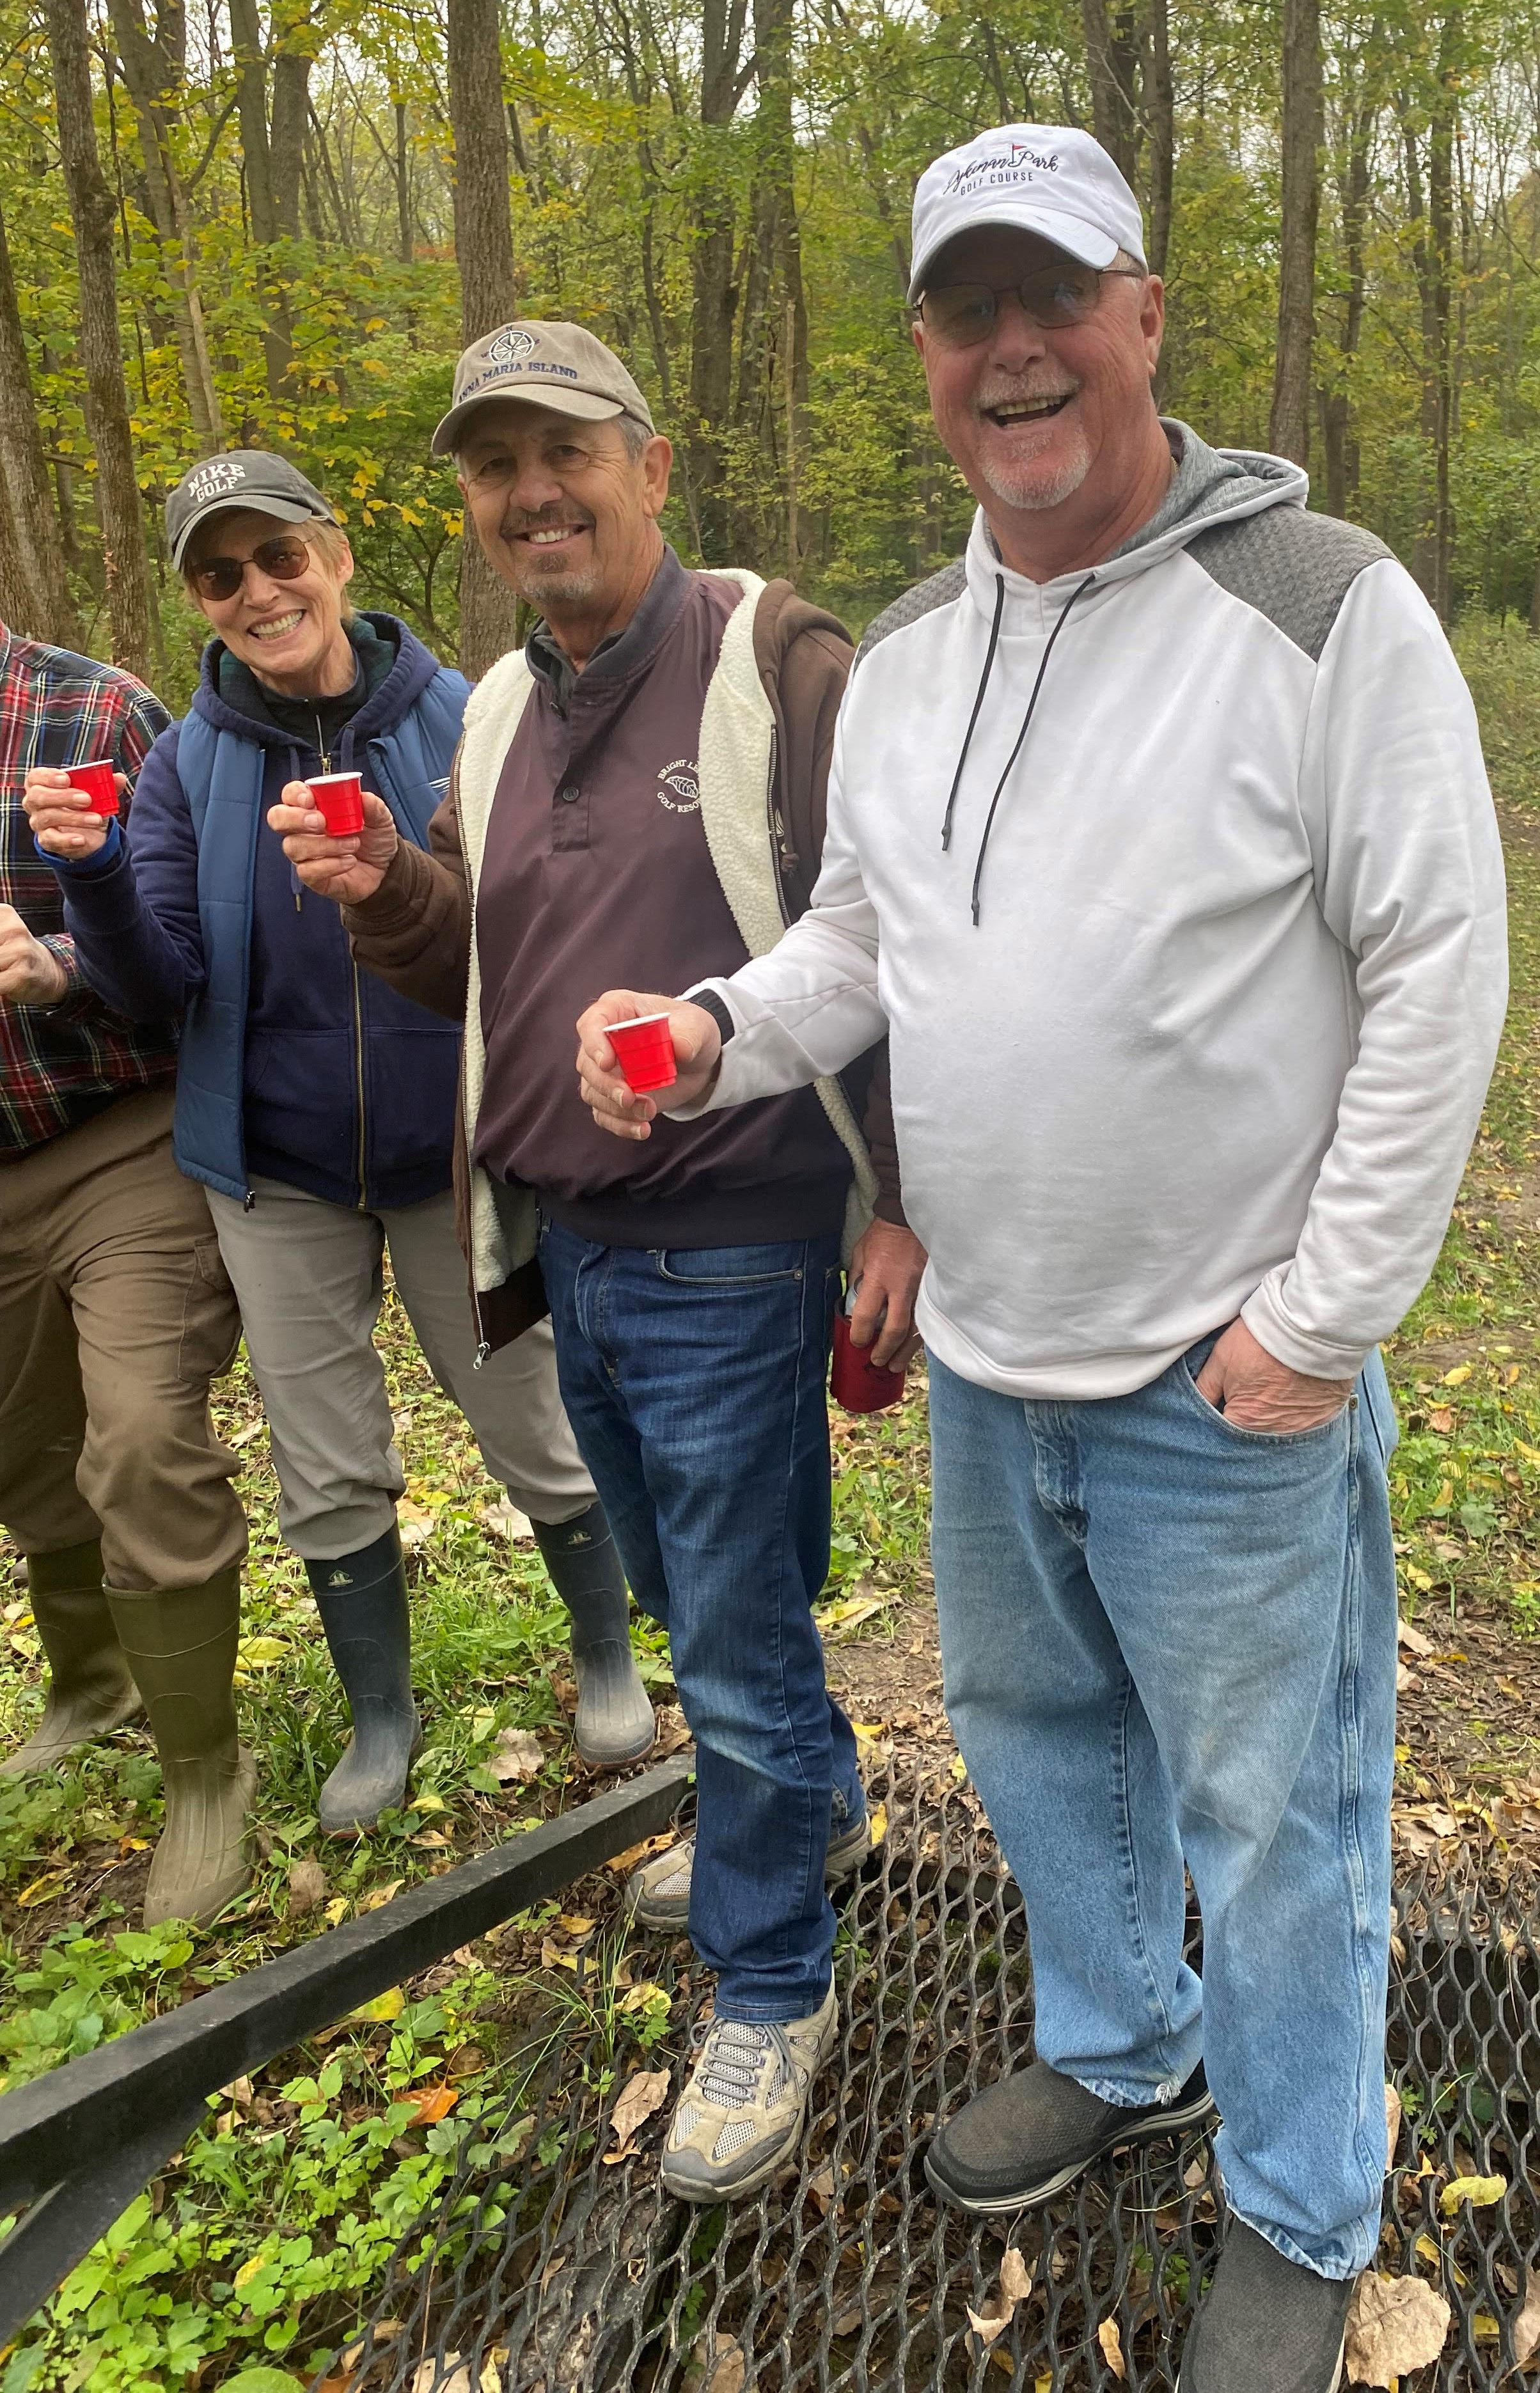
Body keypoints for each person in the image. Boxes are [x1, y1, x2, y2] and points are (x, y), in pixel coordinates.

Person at [574, 126, 1509, 2386]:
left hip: (1224, 1385)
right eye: (961, 311)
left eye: (1050, 298)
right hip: (987, 1367)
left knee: (1275, 1818)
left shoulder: (1317, 606)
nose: (1009, 351)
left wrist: (1317, 1324)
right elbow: (864, 944)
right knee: (1031, 1739)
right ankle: (1116, 2039)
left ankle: (1299, 2199)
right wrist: (711, 1034)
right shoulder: (903, 658)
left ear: (1140, 313)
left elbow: (1438, 965)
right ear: (922, 353)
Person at [269, 322, 928, 2200]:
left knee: (725, 1621)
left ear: (649, 458)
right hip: (571, 1237)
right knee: (686, 1589)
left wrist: (903, 1197)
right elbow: (477, 952)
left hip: (736, 1243)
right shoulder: (492, 702)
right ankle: (809, 1813)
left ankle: (774, 1974)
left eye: (564, 449)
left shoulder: (780, 658)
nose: (532, 491)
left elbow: (886, 938)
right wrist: (393, 885)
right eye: (495, 465)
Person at [28, 450, 648, 1839]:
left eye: (279, 557)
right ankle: (382, 1713)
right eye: (221, 573)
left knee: (529, 1416)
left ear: (337, 553)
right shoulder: (188, 763)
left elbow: (542, 933)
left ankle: (605, 1653)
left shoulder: (475, 713)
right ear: (199, 597)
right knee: (324, 1457)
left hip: (456, 1152)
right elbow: (160, 979)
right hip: (275, 1172)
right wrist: (92, 876)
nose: (259, 591)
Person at [0, 620, 251, 1928]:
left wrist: (61, 966)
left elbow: (194, 958)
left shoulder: (96, 715)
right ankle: (89, 1682)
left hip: (118, 1141)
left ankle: (206, 1771)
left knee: (143, 1432)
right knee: (27, 1454)